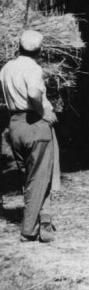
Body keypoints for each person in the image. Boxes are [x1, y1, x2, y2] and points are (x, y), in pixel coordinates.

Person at [0, 30, 57, 242]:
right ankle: (29, 229)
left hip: (15, 125)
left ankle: (45, 222)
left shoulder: (7, 68)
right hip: (34, 123)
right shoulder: (33, 68)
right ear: (39, 51)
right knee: (41, 176)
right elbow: (34, 93)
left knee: (29, 177)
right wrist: (44, 113)